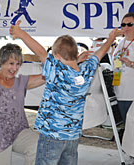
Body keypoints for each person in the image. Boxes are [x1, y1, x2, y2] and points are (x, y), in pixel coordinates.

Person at [10, 20, 123, 165]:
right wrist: (111, 38)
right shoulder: (87, 70)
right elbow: (99, 54)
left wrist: (20, 33)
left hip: (51, 136)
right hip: (73, 138)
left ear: (56, 56)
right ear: (76, 54)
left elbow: (40, 52)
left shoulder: (56, 70)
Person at [0, 43, 45, 165]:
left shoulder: (21, 81)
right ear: (1, 62)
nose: (15, 68)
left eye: (18, 64)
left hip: (19, 131)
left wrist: (70, 64)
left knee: (38, 146)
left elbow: (46, 76)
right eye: (11, 63)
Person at [112, 12, 134, 164]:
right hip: (120, 92)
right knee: (127, 127)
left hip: (132, 92)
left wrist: (131, 63)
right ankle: (131, 154)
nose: (125, 27)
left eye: (129, 24)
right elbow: (115, 63)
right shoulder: (120, 43)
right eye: (123, 24)